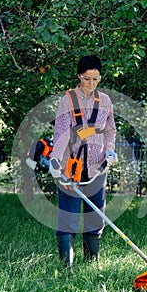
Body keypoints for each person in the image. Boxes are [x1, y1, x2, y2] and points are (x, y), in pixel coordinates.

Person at [49, 55, 117, 269]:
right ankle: (66, 267)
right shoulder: (68, 100)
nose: (91, 84)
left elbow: (110, 130)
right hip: (71, 167)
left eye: (96, 79)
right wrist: (55, 161)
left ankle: (90, 264)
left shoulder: (105, 100)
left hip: (97, 167)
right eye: (87, 79)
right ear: (79, 76)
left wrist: (111, 151)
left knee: (95, 216)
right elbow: (60, 133)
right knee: (68, 216)